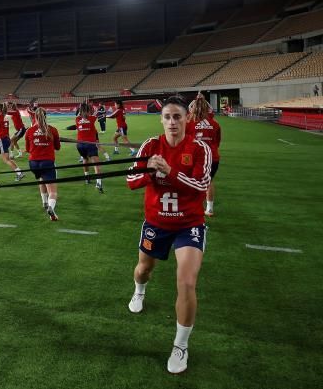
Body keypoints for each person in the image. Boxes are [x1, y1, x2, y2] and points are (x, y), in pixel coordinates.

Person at [125, 95, 212, 374]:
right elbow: (130, 179)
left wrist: (170, 170)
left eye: (177, 116)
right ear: (161, 120)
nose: (172, 122)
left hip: (189, 224)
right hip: (156, 222)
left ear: (188, 119)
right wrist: (150, 172)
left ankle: (180, 345)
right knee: (143, 271)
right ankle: (139, 291)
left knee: (186, 283)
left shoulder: (200, 148)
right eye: (167, 117)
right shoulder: (150, 145)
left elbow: (200, 185)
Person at [25, 107, 61, 220]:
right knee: (53, 192)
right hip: (47, 162)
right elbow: (57, 147)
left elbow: (27, 149)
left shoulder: (29, 131)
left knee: (41, 177)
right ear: (46, 116)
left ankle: (45, 203)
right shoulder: (53, 130)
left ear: (35, 117)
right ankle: (51, 207)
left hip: (33, 163)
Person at [188, 97, 221, 217]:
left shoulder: (189, 123)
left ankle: (192, 207)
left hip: (195, 157)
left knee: (191, 181)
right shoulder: (215, 124)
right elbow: (217, 142)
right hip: (212, 156)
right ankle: (210, 209)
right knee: (209, 181)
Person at [0, 103, 25, 181]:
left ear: (0, 110)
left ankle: (19, 173)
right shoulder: (6, 117)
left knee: (6, 160)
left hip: (2, 140)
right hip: (5, 140)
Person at [73, 102, 105, 194]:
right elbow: (96, 113)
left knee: (85, 159)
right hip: (90, 144)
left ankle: (87, 178)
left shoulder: (77, 119)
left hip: (80, 145)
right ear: (88, 111)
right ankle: (98, 183)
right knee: (96, 163)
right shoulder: (92, 118)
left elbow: (80, 115)